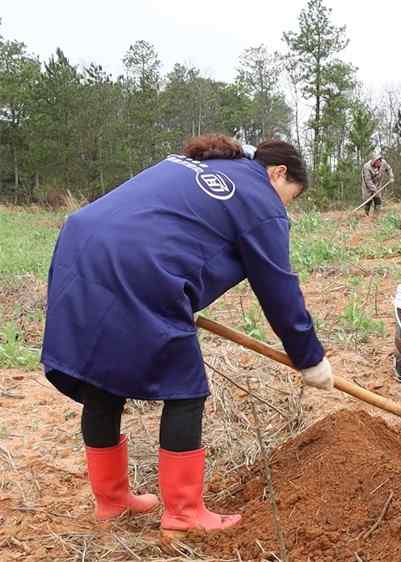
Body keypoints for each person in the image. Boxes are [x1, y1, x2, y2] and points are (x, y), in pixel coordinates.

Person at [41, 134, 333, 536]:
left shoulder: (193, 163)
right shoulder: (259, 197)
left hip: (81, 248)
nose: (284, 206)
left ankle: (111, 502)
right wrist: (310, 357)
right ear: (278, 172)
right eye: (289, 196)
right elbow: (278, 288)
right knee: (185, 389)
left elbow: (169, 225)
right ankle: (183, 513)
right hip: (138, 267)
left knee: (101, 380)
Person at [361, 150, 394, 217]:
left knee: (378, 199)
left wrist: (391, 176)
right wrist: (374, 190)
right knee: (368, 200)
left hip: (378, 184)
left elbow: (389, 168)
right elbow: (368, 181)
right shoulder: (366, 167)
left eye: (380, 160)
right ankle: (366, 215)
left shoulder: (383, 163)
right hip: (368, 186)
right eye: (377, 161)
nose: (380, 162)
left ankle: (375, 216)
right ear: (374, 162)